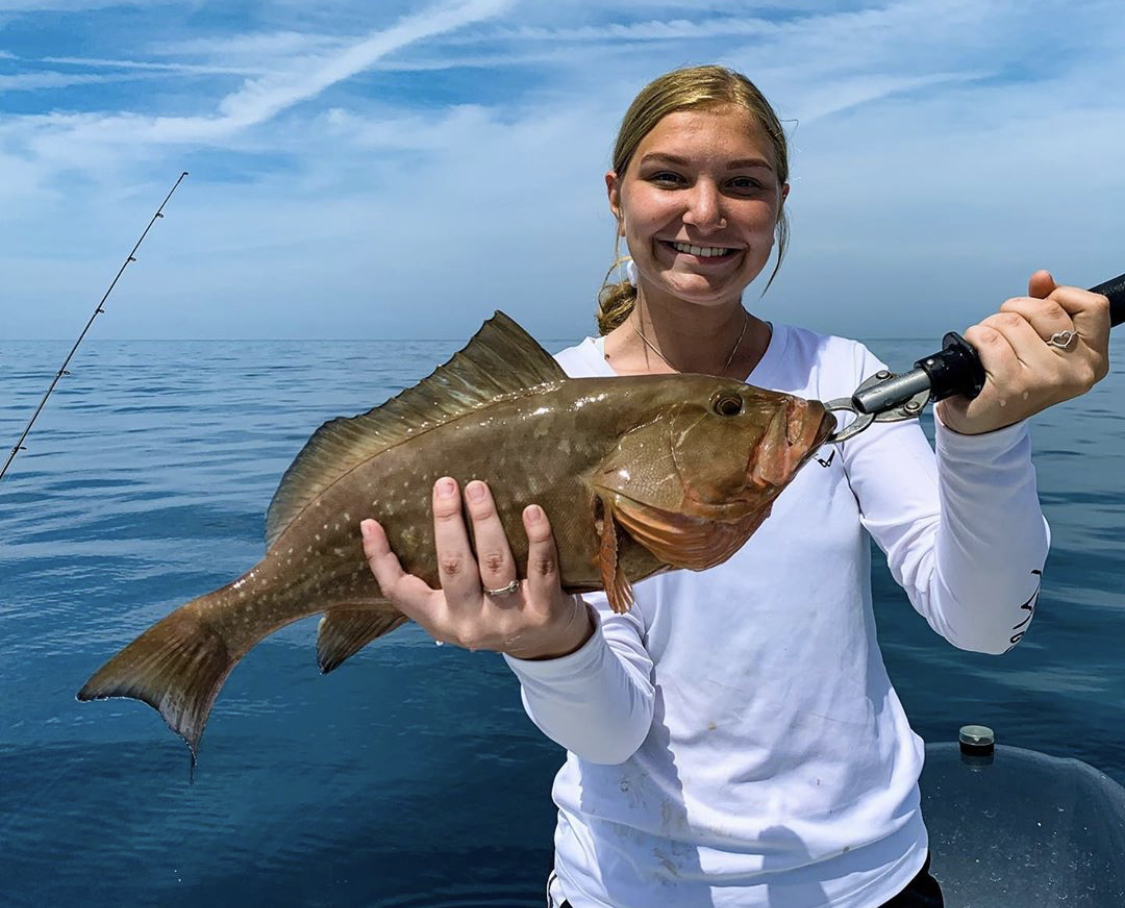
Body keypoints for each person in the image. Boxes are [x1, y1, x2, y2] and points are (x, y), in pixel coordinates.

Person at [358, 66, 1111, 908]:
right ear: (617, 195)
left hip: (867, 880)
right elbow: (609, 734)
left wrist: (985, 435)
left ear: (779, 203)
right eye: (669, 176)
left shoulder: (836, 378)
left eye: (742, 185)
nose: (705, 211)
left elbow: (983, 625)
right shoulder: (543, 412)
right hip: (627, 887)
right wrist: (547, 643)